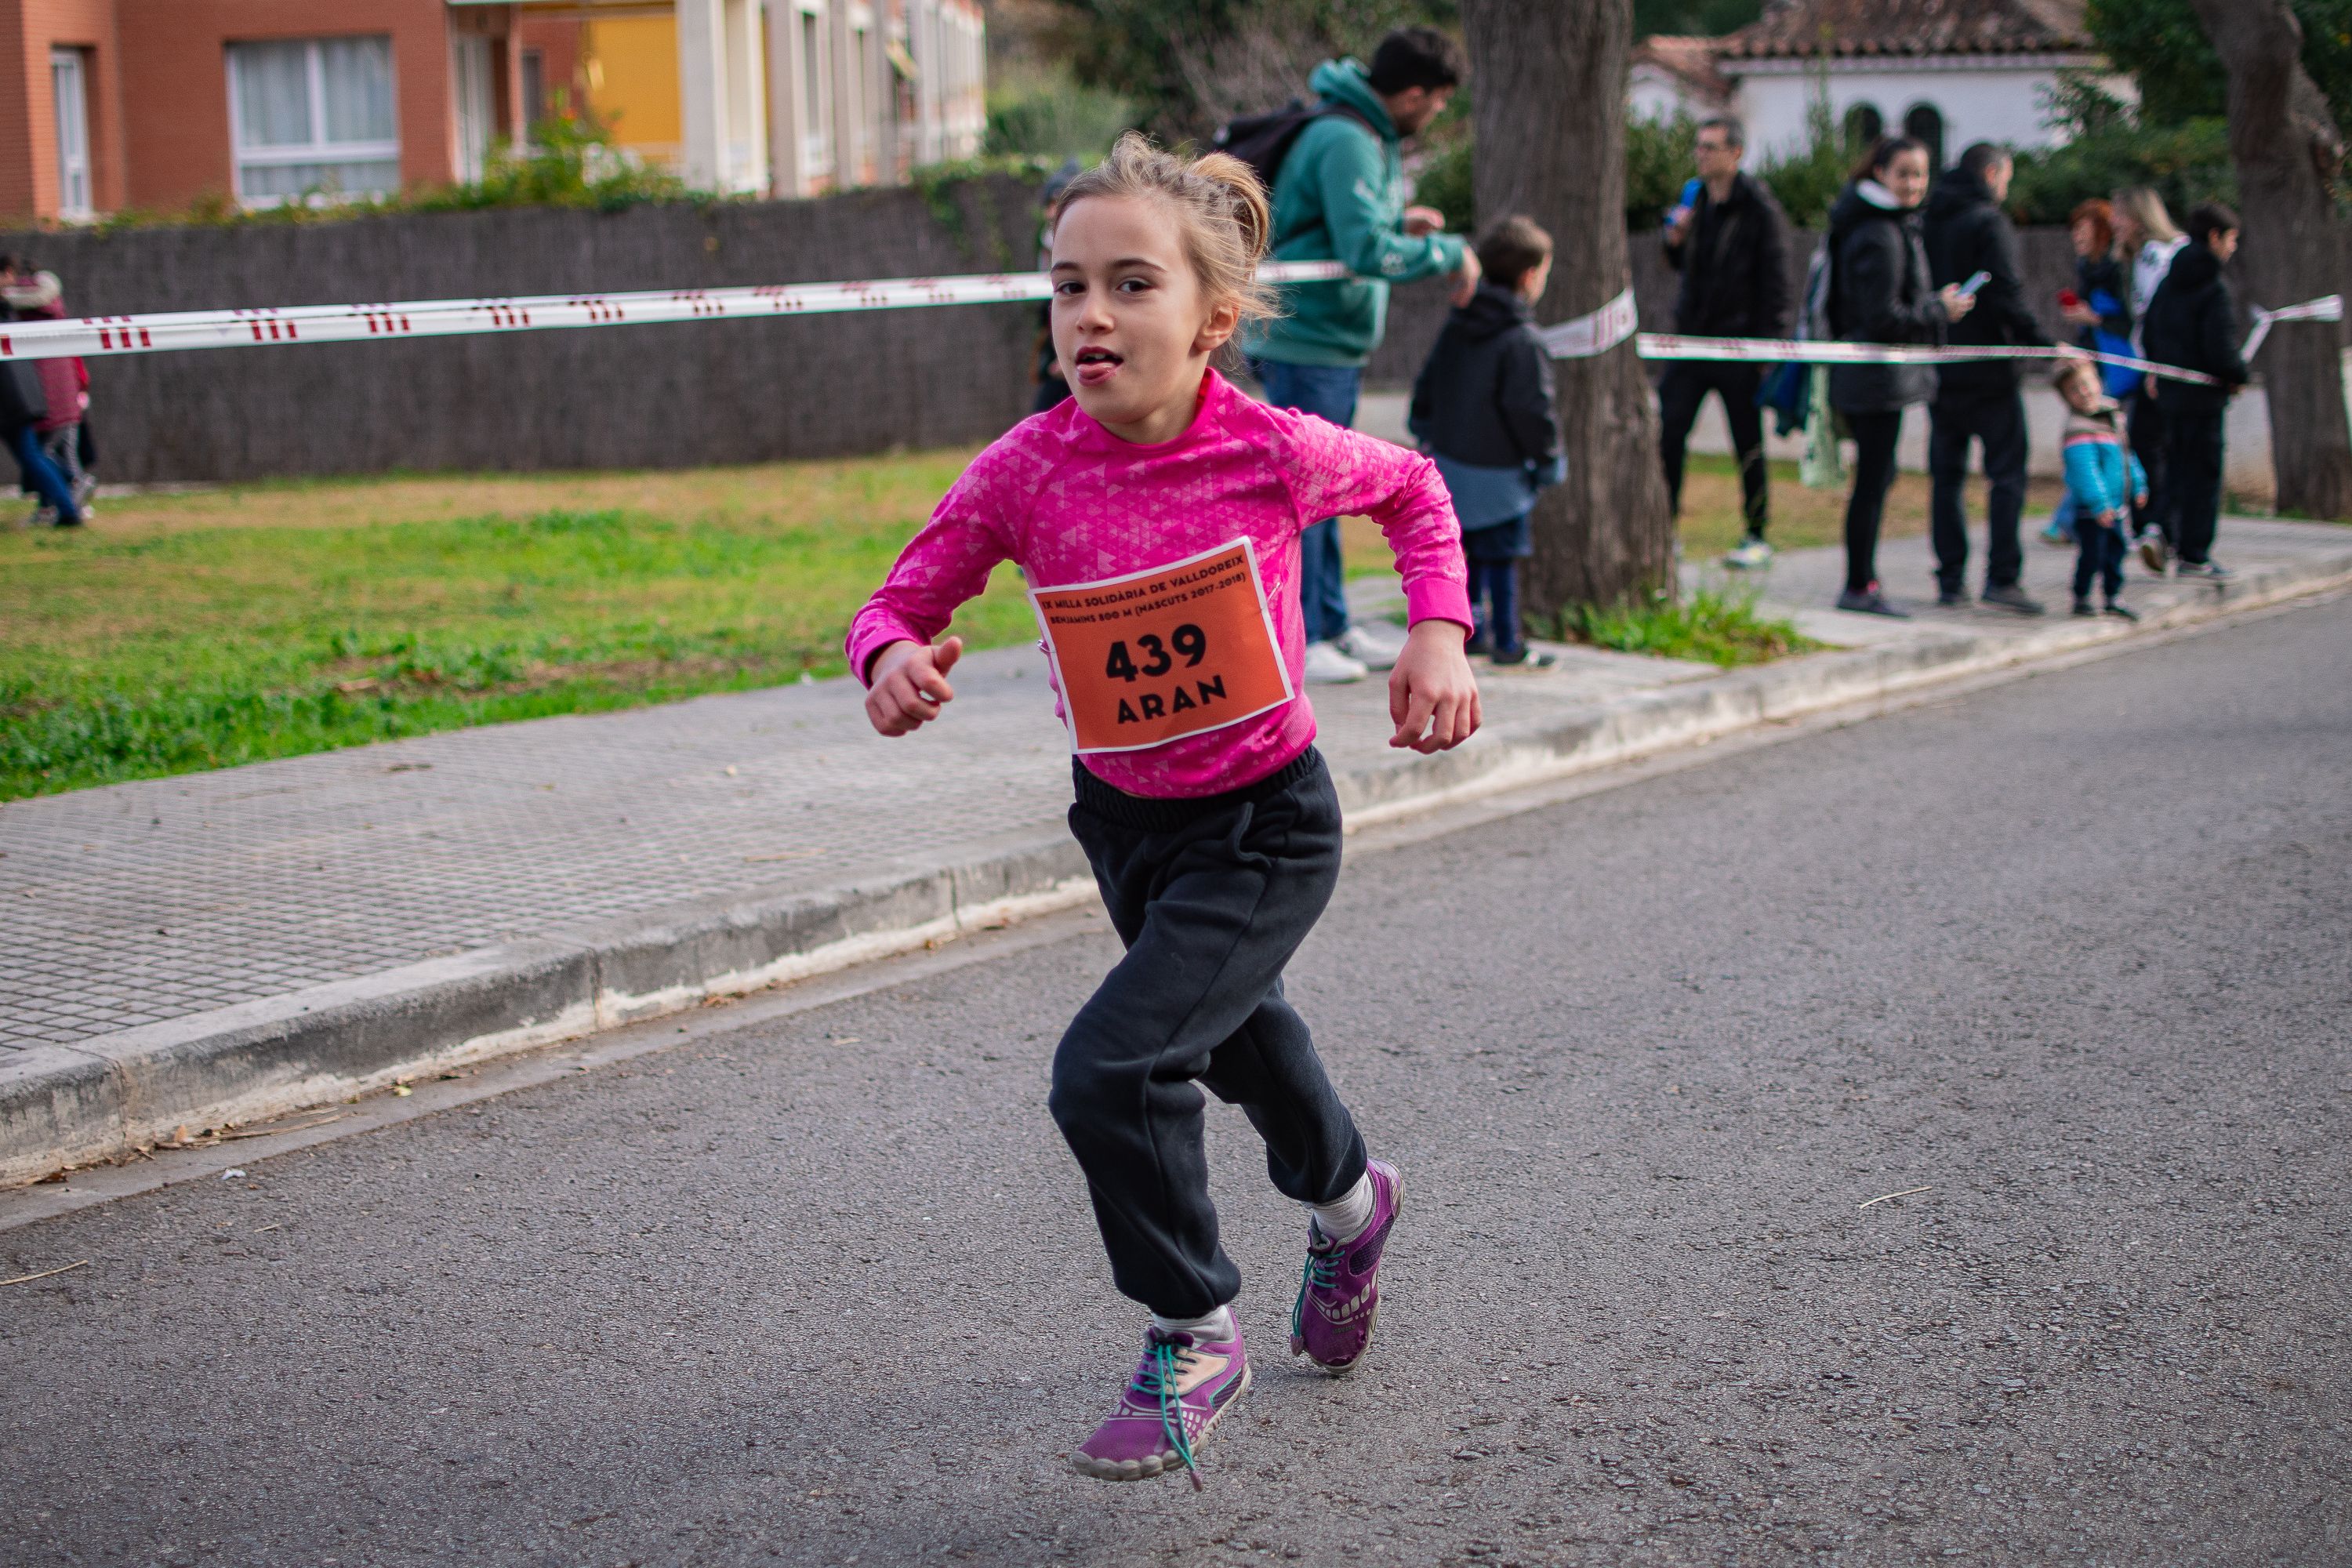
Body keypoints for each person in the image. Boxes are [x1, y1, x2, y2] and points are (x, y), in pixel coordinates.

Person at [847, 133, 1479, 1486]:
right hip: (1124, 824)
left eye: (1132, 285)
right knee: (1242, 1038)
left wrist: (1439, 631)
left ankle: (1193, 1325)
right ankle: (1354, 1206)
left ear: (1214, 320)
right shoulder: (1026, 471)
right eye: (1066, 285)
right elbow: (899, 599)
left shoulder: (1270, 447)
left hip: (1265, 820)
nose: (1090, 314)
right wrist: (892, 657)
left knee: (1114, 1071)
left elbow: (1416, 489)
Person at [1244, 26, 1479, 685]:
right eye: (1435, 104)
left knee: (1328, 489)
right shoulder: (1348, 137)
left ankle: (1334, 623)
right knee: (1311, 492)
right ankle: (1310, 634)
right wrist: (1449, 251)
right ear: (1410, 94)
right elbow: (1363, 253)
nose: (1434, 116)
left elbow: (1343, 229)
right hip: (1307, 343)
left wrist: (1404, 227)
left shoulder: (1358, 131)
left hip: (1327, 344)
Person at [1825, 136, 1973, 617]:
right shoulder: (1879, 232)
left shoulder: (1888, 225)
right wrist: (1940, 308)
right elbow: (1883, 317)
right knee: (1872, 482)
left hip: (1877, 377)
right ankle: (1859, 585)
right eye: (1903, 173)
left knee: (1876, 479)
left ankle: (1861, 581)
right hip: (1873, 379)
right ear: (1880, 174)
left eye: (1920, 173)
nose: (1913, 183)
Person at [1408, 215, 1566, 666]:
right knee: (1502, 558)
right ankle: (1509, 644)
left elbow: (1429, 383)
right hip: (1503, 476)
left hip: (1452, 466)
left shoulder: (1458, 326)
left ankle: (1470, 633)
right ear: (1530, 276)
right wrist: (1549, 460)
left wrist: (1425, 430)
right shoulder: (1522, 340)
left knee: (1466, 552)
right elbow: (1533, 411)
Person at [1922, 142, 2053, 613]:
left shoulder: (1928, 218)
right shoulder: (1987, 221)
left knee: (1947, 477)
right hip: (1990, 370)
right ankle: (2002, 577)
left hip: (1942, 364)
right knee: (2006, 475)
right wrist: (2046, 347)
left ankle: (1950, 580)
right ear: (1993, 173)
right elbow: (2006, 293)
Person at [1658, 115, 1791, 569]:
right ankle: (1664, 529)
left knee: (1746, 441)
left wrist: (1767, 348)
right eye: (1699, 146)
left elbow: (1776, 283)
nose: (1702, 155)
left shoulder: (1760, 210)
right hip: (1692, 340)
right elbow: (1684, 266)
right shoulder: (1697, 203)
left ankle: (1756, 533)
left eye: (1711, 147)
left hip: (1740, 345)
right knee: (1670, 433)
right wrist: (1675, 240)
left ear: (1735, 153)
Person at [2139, 201, 2248, 583]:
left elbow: (2150, 327)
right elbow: (2220, 347)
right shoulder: (2213, 286)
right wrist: (2238, 375)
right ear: (2215, 237)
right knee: (2203, 473)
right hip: (2204, 398)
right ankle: (2195, 553)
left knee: (2174, 466)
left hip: (2170, 393)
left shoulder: (2170, 280)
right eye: (2232, 239)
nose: (2233, 248)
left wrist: (2156, 368)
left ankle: (2159, 529)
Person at [2042, 198, 2136, 546]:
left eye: (2084, 229)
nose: (2077, 236)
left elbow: (2129, 321)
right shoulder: (2088, 267)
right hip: (2095, 365)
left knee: (2106, 445)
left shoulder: (2117, 269)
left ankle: (2075, 521)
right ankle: (2075, 520)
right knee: (2086, 444)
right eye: (2075, 230)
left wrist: (2092, 318)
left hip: (2118, 369)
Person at [2112, 187, 2187, 564]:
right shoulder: (2144, 256)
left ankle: (2158, 528)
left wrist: (2156, 366)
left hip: (2159, 366)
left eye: (2120, 216)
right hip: (2150, 364)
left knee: (2154, 447)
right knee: (2149, 446)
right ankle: (2155, 529)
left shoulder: (2158, 256)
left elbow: (2162, 318)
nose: (2114, 224)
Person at [2053, 359, 2147, 619]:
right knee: (2093, 554)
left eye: (2087, 383)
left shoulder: (2111, 418)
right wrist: (2098, 504)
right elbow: (2085, 472)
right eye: (2074, 389)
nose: (2084, 391)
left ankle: (2112, 596)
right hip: (2092, 510)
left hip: (2117, 506)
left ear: (2098, 381)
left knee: (2116, 551)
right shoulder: (2078, 430)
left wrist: (2138, 484)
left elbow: (2127, 456)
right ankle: (2082, 596)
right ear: (2066, 398)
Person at [2, 260, 94, 521]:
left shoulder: (28, 302)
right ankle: (64, 498)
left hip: (28, 394)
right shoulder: (35, 308)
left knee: (41, 452)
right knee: (40, 452)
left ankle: (70, 498)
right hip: (37, 392)